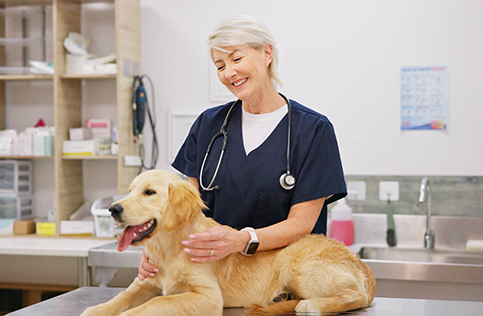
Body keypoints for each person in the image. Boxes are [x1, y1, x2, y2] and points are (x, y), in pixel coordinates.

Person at [137, 15, 346, 280]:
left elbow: (302, 224)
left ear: (267, 53)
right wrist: (156, 249)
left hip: (285, 279)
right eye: (220, 65)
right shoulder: (208, 125)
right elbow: (186, 211)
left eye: (236, 59)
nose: (228, 73)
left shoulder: (313, 130)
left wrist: (241, 240)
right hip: (214, 278)